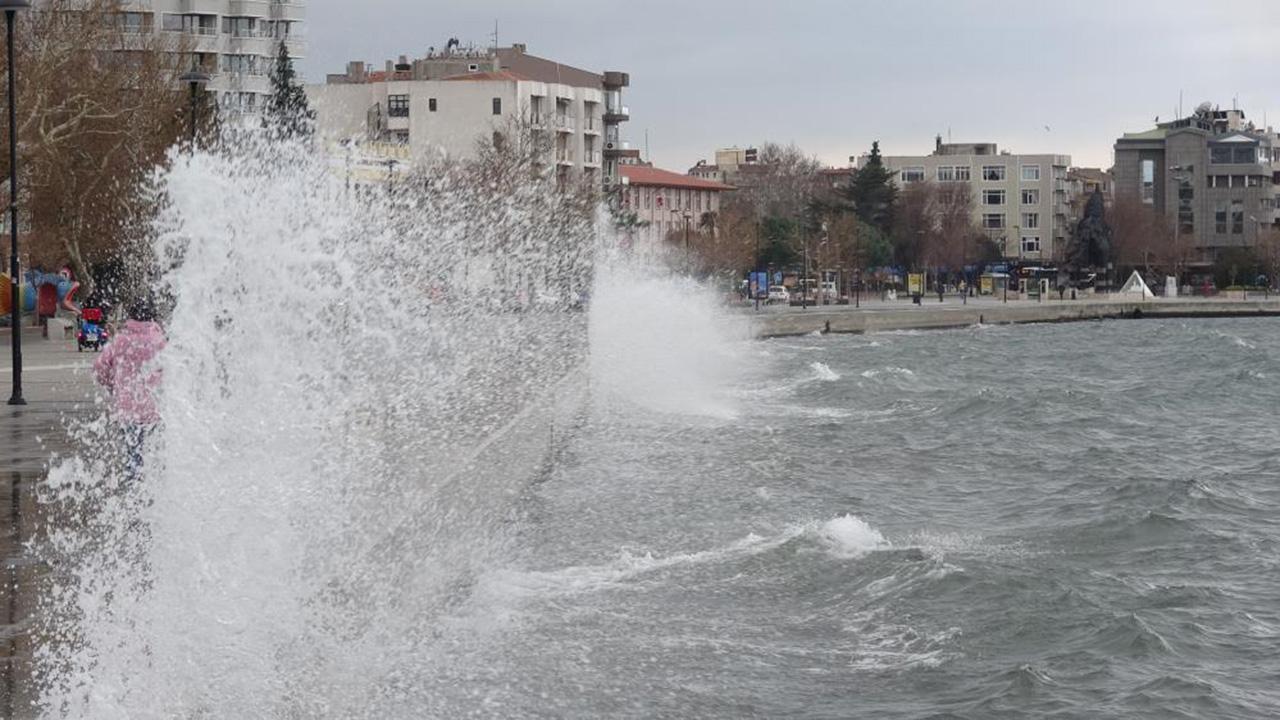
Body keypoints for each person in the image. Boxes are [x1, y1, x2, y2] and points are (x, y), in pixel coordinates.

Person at [94, 299, 166, 477]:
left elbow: (100, 366)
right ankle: (152, 486)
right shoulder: (159, 340)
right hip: (153, 406)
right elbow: (170, 367)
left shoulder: (120, 340)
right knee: (153, 450)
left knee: (132, 451)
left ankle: (133, 483)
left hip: (127, 407)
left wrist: (111, 383)